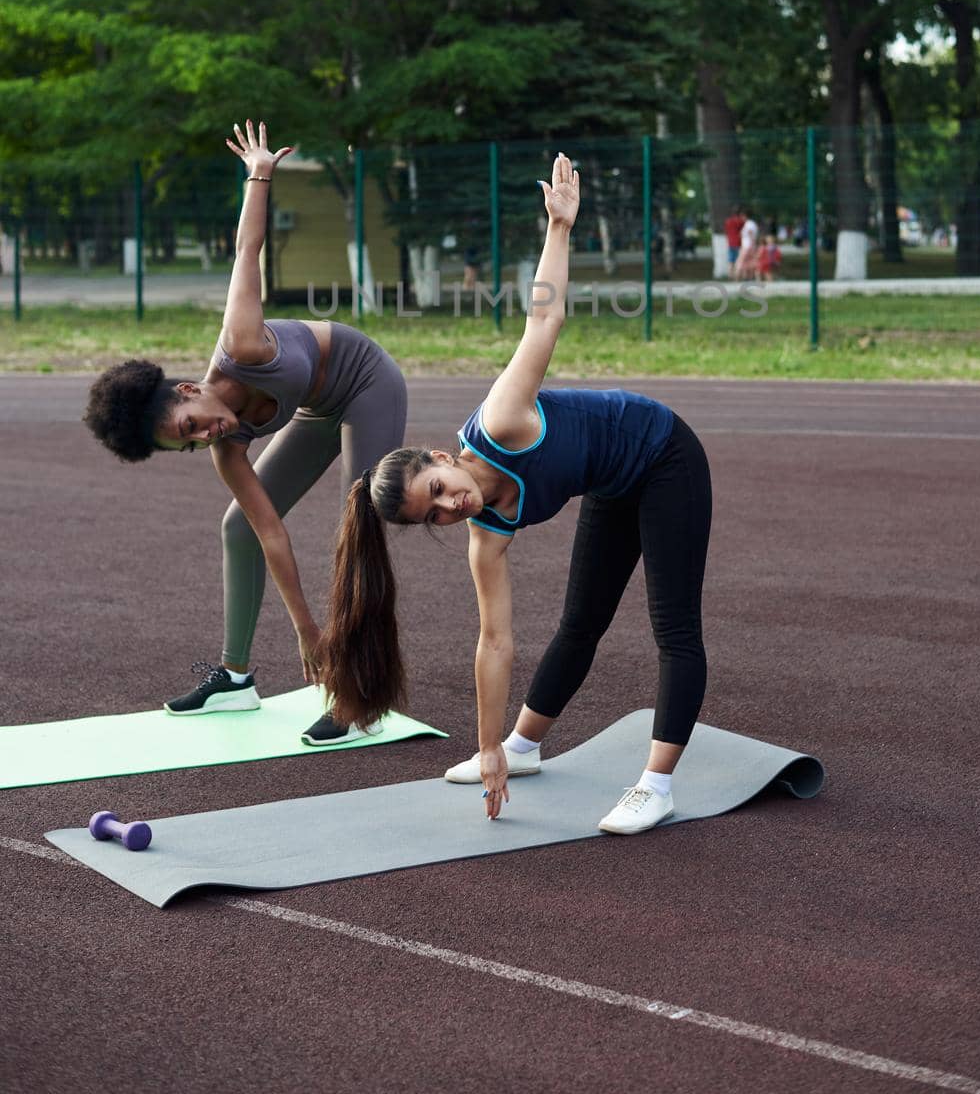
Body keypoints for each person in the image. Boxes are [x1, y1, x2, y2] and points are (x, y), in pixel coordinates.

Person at [319, 152, 713, 836]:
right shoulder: (486, 538)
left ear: (443, 457)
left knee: (673, 628)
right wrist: (490, 745)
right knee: (580, 623)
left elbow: (544, 324)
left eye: (440, 488)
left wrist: (559, 228)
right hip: (612, 481)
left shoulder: (500, 422)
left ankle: (657, 784)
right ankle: (524, 747)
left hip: (664, 454)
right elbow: (494, 643)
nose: (452, 506)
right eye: (434, 513)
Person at [83, 121, 408, 745]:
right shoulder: (227, 448)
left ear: (187, 390)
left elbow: (246, 252)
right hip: (317, 406)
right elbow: (271, 533)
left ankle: (360, 692)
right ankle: (235, 678)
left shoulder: (242, 344)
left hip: (365, 379)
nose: (205, 437)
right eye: (190, 445)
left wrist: (258, 174)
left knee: (359, 524)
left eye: (191, 425)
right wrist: (306, 630)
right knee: (237, 523)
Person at [735, 210, 760, 280]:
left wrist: (752, 244)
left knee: (740, 262)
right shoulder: (750, 223)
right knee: (749, 262)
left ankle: (737, 278)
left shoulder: (749, 223)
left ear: (745, 216)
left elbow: (750, 233)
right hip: (749, 245)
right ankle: (749, 278)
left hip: (747, 246)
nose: (741, 218)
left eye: (741, 216)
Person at [723, 205, 746, 275]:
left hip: (730, 242)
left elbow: (726, 231)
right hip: (739, 242)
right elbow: (744, 231)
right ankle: (738, 275)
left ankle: (730, 274)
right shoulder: (740, 221)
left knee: (731, 260)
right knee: (739, 260)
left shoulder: (728, 221)